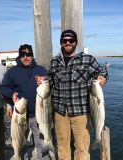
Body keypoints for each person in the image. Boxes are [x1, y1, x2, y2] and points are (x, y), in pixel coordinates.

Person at [48, 29, 108, 160]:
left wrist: (102, 77)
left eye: (71, 40)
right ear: (61, 43)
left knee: (82, 147)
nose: (68, 43)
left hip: (81, 112)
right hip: (60, 112)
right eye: (65, 41)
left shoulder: (87, 59)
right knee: (62, 146)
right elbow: (50, 84)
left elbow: (102, 71)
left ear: (75, 42)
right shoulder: (54, 62)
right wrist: (42, 81)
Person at [0, 44, 47, 160]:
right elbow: (4, 88)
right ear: (19, 56)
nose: (26, 57)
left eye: (28, 54)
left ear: (32, 55)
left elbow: (50, 86)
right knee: (20, 144)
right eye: (23, 55)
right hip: (20, 116)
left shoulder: (41, 70)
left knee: (43, 144)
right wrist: (12, 94)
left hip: (39, 116)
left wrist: (46, 82)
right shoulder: (12, 72)